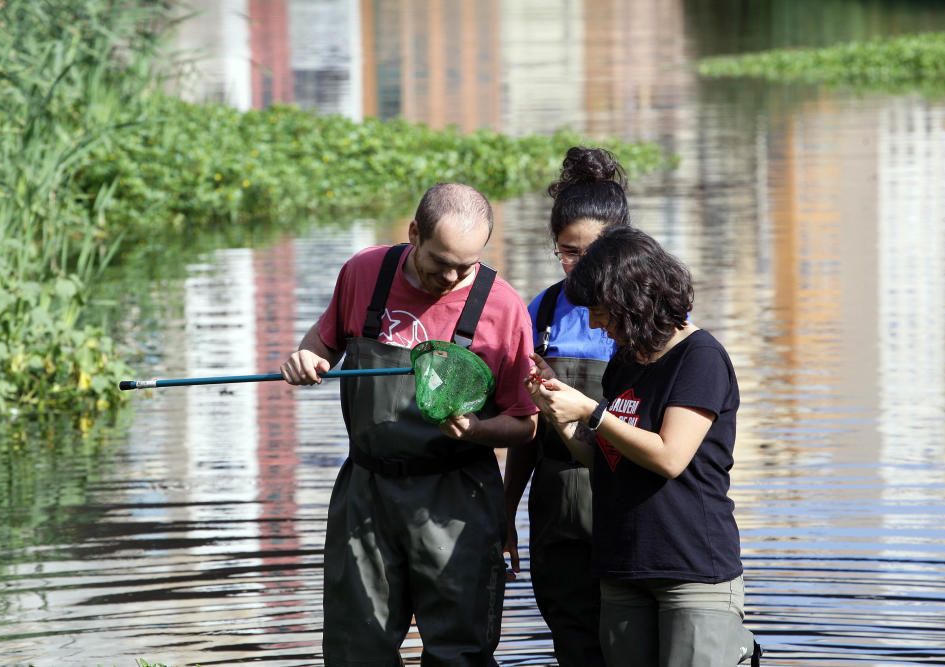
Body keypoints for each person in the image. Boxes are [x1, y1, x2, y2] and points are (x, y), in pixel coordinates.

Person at [281, 183, 539, 667]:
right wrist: (306, 359)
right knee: (356, 646)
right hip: (367, 490)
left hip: (456, 495)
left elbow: (526, 424)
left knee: (459, 649)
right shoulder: (364, 272)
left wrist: (479, 430)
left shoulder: (502, 306)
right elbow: (323, 341)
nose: (453, 276)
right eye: (441, 261)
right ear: (413, 232)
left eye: (467, 265)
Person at [524, 225, 761, 667]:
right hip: (622, 567)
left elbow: (669, 457)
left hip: (689, 570)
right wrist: (560, 413)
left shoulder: (700, 358)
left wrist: (593, 412)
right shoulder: (625, 362)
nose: (594, 322)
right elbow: (603, 458)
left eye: (599, 309)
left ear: (633, 300)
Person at [502, 146, 629, 666]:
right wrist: (505, 512)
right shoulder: (542, 311)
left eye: (591, 251)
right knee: (572, 641)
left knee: (629, 640)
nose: (579, 265)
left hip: (624, 501)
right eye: (567, 252)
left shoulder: (645, 316)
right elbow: (528, 426)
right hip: (556, 509)